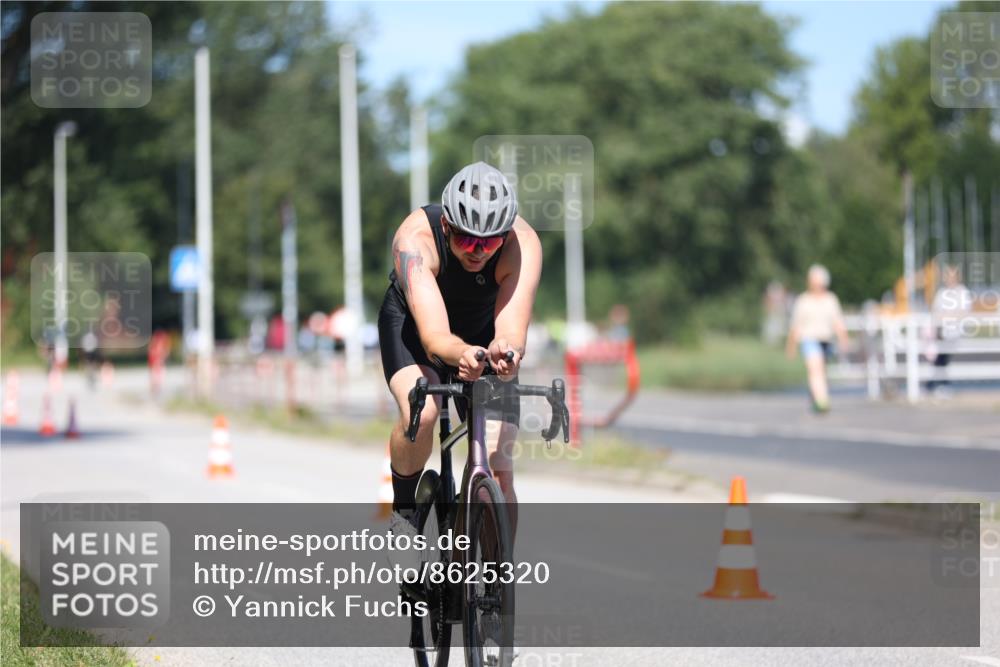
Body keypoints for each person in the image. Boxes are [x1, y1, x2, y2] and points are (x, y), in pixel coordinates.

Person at [377, 162, 542, 536]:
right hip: (415, 328)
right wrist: (461, 354)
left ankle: (494, 577)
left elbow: (511, 331)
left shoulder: (523, 243)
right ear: (447, 226)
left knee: (499, 461)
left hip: (482, 326)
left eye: (490, 242)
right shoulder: (414, 239)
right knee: (424, 410)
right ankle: (405, 514)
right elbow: (435, 338)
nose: (478, 252)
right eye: (467, 240)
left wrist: (505, 354)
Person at [785, 264, 849, 413]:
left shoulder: (831, 299)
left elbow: (837, 322)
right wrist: (791, 346)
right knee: (815, 369)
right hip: (809, 339)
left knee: (821, 371)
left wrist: (844, 339)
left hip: (825, 340)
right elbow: (796, 325)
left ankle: (817, 396)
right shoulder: (803, 300)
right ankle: (822, 401)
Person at [928, 264, 972, 395]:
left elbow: (963, 312)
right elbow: (935, 312)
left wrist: (948, 316)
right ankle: (938, 384)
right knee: (940, 358)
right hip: (942, 332)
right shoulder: (941, 293)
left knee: (942, 358)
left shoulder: (962, 292)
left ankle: (938, 384)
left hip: (954, 332)